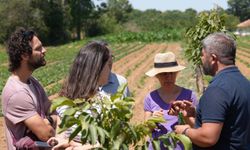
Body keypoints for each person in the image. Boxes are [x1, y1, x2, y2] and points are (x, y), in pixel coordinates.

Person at [170, 32, 250, 149]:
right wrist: (196, 114)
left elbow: (208, 138)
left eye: (203, 55)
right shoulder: (244, 83)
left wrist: (184, 130)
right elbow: (231, 120)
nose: (201, 59)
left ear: (213, 58)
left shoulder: (217, 89)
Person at [1, 27, 57, 150]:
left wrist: (47, 121)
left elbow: (53, 109)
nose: (44, 50)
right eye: (38, 49)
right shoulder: (17, 93)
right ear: (25, 55)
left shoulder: (33, 82)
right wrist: (51, 120)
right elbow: (46, 135)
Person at [52, 41, 113, 149]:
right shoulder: (65, 102)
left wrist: (75, 145)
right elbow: (61, 135)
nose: (110, 69)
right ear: (97, 68)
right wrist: (59, 141)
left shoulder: (105, 102)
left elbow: (108, 143)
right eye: (108, 65)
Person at [144, 52, 198, 150]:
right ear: (157, 75)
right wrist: (152, 121)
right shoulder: (150, 98)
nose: (168, 77)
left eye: (171, 73)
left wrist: (185, 116)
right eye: (164, 74)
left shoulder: (189, 96)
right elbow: (146, 130)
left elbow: (196, 127)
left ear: (176, 73)